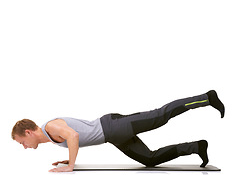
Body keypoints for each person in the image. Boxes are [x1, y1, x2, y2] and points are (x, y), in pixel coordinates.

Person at [11, 90, 225, 172]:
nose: (23, 146)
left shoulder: (50, 126)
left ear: (29, 132)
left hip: (114, 127)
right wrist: (68, 160)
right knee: (149, 160)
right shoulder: (51, 136)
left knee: (161, 115)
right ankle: (196, 147)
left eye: (21, 141)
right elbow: (75, 136)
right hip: (114, 137)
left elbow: (74, 136)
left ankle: (207, 98)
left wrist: (71, 165)